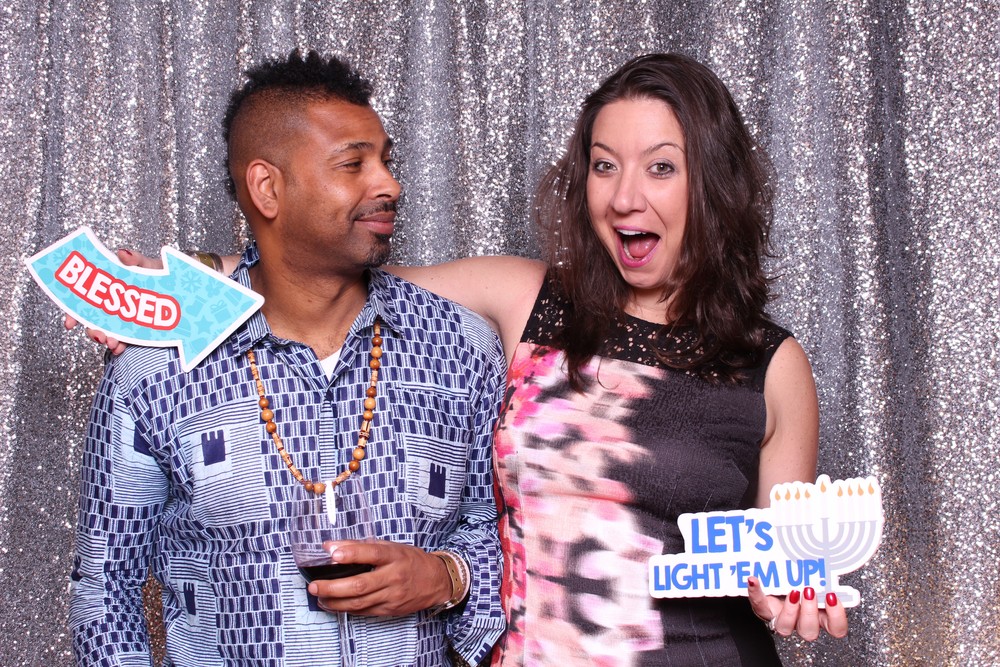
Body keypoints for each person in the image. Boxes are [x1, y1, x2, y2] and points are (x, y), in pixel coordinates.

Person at [79, 53, 849, 664]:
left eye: (661, 166)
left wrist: (790, 590)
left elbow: (781, 563)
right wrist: (179, 289)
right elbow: (323, 278)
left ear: (712, 182)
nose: (623, 197)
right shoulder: (526, 302)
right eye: (604, 164)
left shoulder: (773, 367)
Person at [68, 50, 506, 667]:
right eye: (354, 163)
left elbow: (496, 529)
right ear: (267, 188)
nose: (389, 185)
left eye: (387, 161)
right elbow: (104, 589)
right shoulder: (156, 368)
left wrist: (447, 577)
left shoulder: (460, 346)